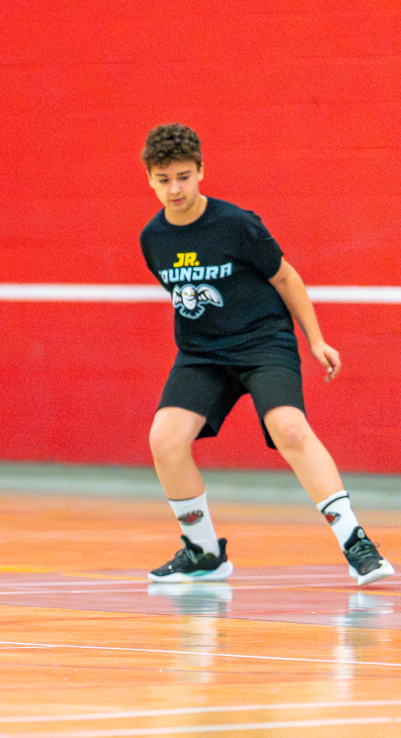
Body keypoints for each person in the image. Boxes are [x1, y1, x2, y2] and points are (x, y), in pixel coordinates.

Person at [139, 123, 392, 586]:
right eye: (163, 179)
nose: (174, 189)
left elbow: (286, 279)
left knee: (290, 428)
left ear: (200, 172)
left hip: (262, 343)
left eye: (183, 176)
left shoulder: (237, 224)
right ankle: (203, 552)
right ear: (149, 180)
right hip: (201, 355)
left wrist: (315, 340)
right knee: (165, 441)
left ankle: (357, 543)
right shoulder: (152, 239)